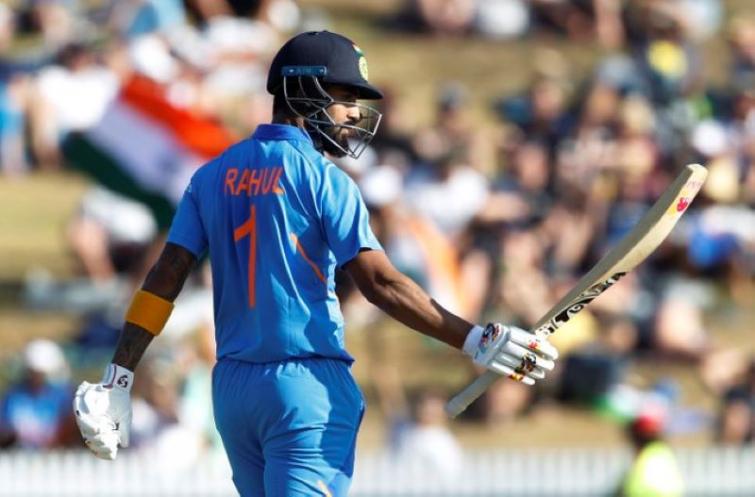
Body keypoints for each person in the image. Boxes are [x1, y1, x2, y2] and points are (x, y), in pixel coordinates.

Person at [71, 30, 559, 497]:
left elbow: (164, 279)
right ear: (303, 91)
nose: (354, 113)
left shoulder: (211, 175)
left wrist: (119, 378)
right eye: (345, 98)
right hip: (304, 390)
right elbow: (380, 284)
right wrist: (475, 340)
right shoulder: (325, 178)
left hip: (234, 392)